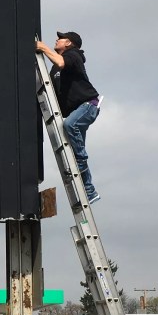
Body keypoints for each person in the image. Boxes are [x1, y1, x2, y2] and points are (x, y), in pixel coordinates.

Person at [35, 30, 101, 204]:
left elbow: (61, 62)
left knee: (69, 126)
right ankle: (90, 190)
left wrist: (43, 48)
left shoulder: (74, 55)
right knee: (74, 149)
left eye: (61, 38)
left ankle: (80, 163)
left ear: (69, 43)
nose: (57, 39)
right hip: (76, 110)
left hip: (88, 105)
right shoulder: (55, 67)